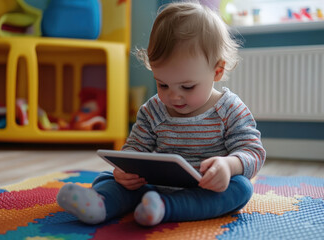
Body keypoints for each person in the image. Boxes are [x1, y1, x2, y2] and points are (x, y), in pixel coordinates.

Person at [57, 0, 266, 227]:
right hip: (152, 186)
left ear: (217, 71)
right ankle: (101, 205)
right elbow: (135, 148)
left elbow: (253, 151)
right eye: (163, 85)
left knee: (241, 188)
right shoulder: (153, 110)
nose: (173, 97)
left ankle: (166, 208)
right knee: (107, 178)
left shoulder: (229, 109)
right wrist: (124, 172)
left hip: (206, 188)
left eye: (187, 87)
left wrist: (229, 166)